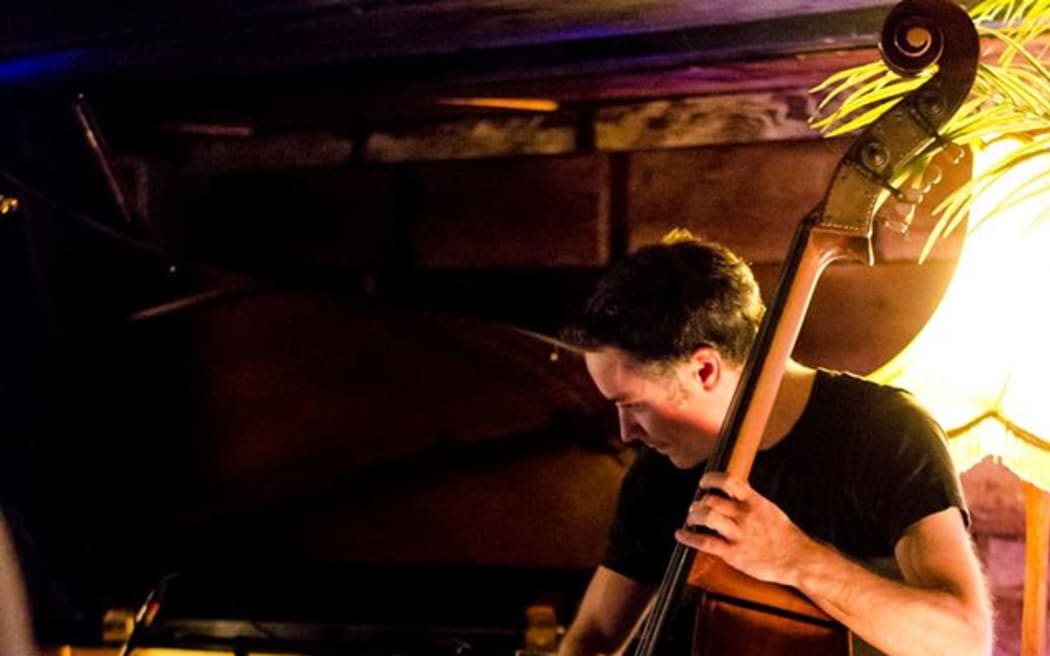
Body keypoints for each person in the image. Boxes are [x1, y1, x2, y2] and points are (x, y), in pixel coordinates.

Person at [555, 234, 992, 656]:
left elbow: (963, 640)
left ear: (704, 369)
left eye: (634, 405)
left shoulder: (882, 431)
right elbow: (592, 635)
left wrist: (794, 558)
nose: (627, 432)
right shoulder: (661, 470)